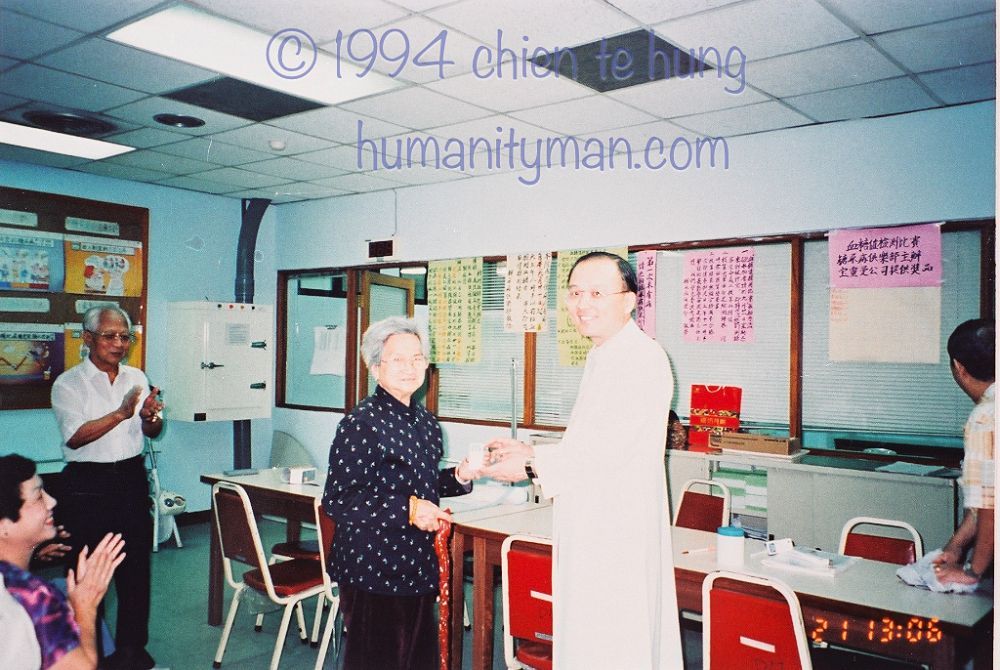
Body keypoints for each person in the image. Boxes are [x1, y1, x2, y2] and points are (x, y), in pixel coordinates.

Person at [482, 251, 683, 669]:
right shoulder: (604, 354)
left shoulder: (641, 359)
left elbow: (609, 451)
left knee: (615, 644)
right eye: (575, 293)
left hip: (616, 533)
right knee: (591, 639)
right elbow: (591, 441)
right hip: (594, 524)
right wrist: (533, 453)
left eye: (596, 293)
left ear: (629, 301)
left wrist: (531, 467)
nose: (582, 304)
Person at [322, 316, 479, 670]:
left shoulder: (426, 422)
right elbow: (339, 499)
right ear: (375, 368)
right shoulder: (360, 424)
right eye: (398, 359)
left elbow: (421, 485)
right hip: (373, 569)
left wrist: (460, 475)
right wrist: (408, 510)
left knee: (418, 660)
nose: (410, 367)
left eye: (417, 359)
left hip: (417, 563)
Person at [50, 306, 163, 670]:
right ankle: (90, 653)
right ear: (87, 338)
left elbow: (152, 430)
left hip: (130, 479)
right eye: (109, 335)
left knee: (136, 571)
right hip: (87, 485)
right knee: (86, 571)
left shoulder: (136, 377)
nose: (119, 343)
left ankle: (132, 650)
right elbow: (75, 436)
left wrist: (150, 417)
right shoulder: (68, 383)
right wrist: (121, 413)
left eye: (125, 336)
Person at [0, 453, 126, 670]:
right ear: (4, 526)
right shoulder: (37, 596)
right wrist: (85, 606)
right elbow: (81, 667)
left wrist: (33, 553)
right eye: (38, 496)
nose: (52, 501)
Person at [933, 318, 994, 586]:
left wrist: (973, 572)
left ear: (959, 367)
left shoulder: (986, 417)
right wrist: (956, 546)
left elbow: (990, 505)